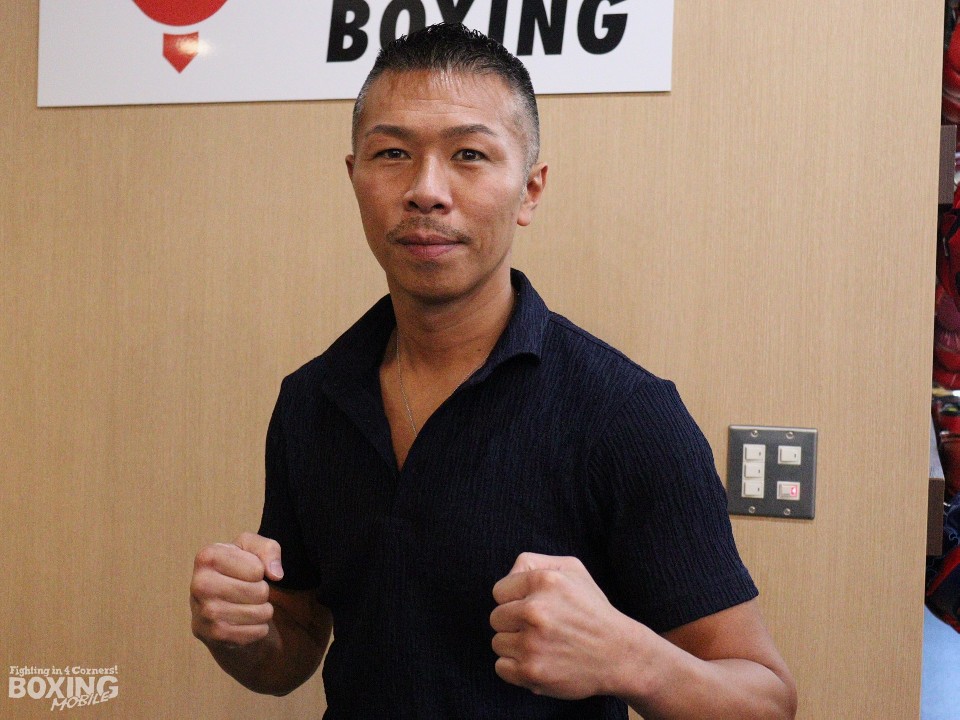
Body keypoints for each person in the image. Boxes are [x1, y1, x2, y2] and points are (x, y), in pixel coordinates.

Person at [190, 23, 797, 720]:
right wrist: (243, 630)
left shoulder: (625, 413)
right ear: (354, 177)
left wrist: (628, 658)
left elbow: (765, 699)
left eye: (469, 155)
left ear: (530, 190)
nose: (426, 191)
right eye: (392, 153)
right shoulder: (312, 399)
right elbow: (292, 652)